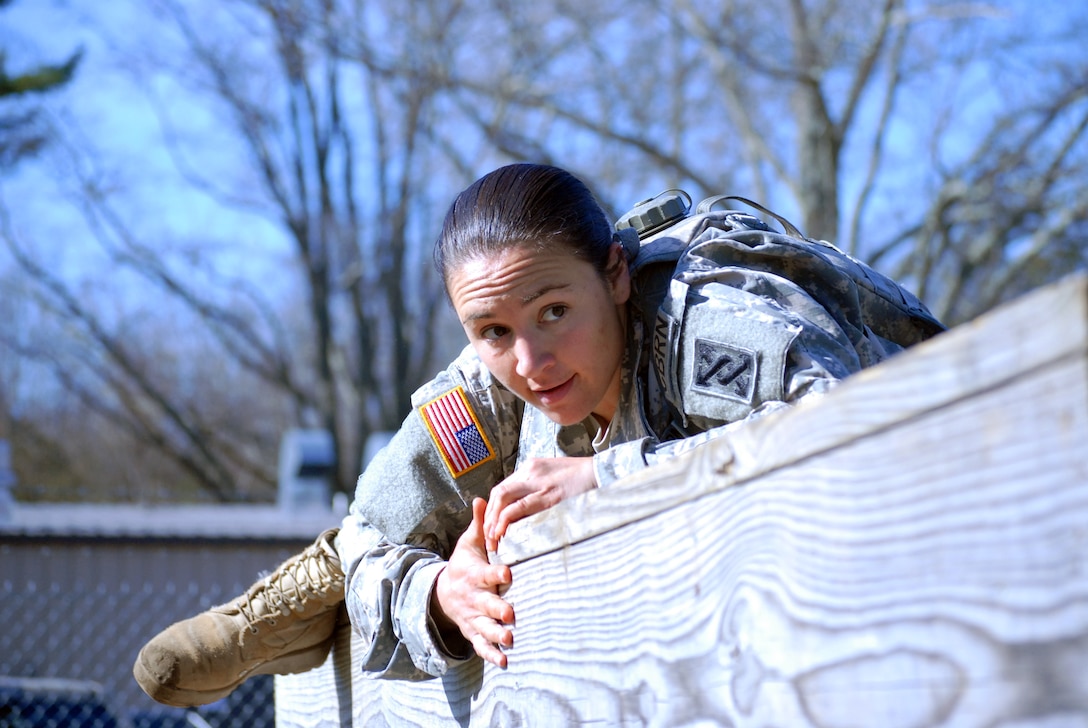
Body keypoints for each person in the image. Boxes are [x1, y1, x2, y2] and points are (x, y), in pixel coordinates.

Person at [134, 163, 943, 704]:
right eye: (490, 329)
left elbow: (853, 433)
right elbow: (371, 536)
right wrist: (439, 598)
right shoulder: (490, 381)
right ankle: (279, 615)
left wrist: (614, 479)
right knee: (383, 534)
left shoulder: (704, 325)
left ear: (616, 276)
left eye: (556, 311)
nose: (530, 360)